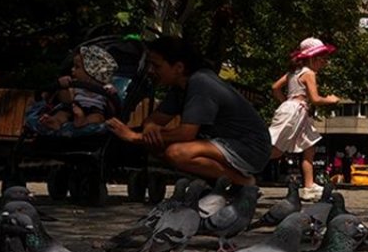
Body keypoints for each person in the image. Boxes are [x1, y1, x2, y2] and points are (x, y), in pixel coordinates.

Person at [106, 36, 270, 186]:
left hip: (249, 148)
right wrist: (149, 130)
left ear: (178, 67)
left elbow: (186, 134)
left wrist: (135, 137)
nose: (151, 71)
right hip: (221, 143)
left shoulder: (201, 83)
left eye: (157, 66)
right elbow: (154, 120)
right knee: (157, 145)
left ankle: (244, 182)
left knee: (177, 153)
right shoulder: (179, 88)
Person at [268, 37, 340, 201]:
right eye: (322, 58)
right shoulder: (309, 73)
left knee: (309, 146)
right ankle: (242, 169)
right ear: (312, 58)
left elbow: (275, 87)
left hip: (296, 111)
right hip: (296, 112)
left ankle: (309, 186)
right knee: (276, 150)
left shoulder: (292, 73)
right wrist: (330, 99)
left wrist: (285, 103)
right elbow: (315, 98)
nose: (325, 62)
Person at [38, 45, 119, 131]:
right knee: (62, 113)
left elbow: (112, 110)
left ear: (91, 72)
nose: (72, 69)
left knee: (98, 118)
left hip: (94, 110)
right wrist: (64, 87)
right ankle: (55, 122)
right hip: (75, 107)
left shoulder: (106, 88)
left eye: (77, 67)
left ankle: (83, 121)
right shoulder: (75, 84)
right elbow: (67, 100)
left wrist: (112, 94)